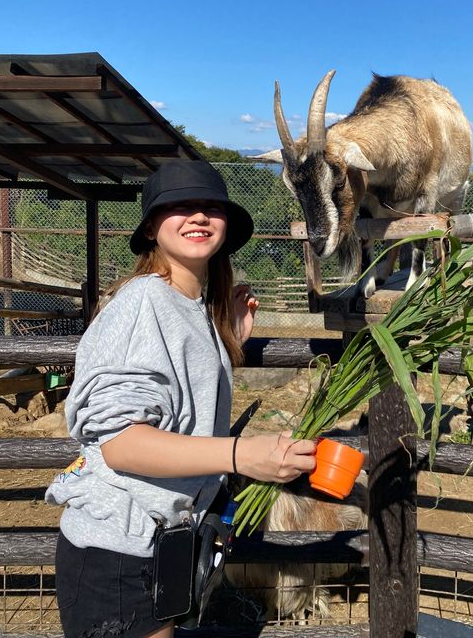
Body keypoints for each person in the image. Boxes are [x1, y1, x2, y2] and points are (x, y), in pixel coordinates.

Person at [45, 159, 317, 638]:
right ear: (151, 226)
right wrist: (240, 455)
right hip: (118, 554)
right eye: (180, 207)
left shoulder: (188, 307)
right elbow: (122, 443)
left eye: (211, 207)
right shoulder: (143, 303)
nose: (198, 216)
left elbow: (176, 395)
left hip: (158, 545)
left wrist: (224, 338)